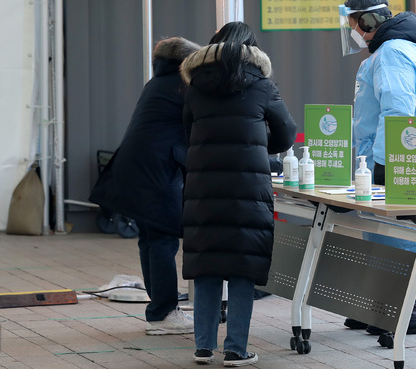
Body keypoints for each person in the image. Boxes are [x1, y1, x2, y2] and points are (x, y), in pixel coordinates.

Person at [180, 22, 297, 366]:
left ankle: (203, 347)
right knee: (244, 267)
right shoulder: (262, 85)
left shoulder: (195, 86)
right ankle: (235, 349)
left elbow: (188, 132)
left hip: (203, 187)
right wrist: (262, 145)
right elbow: (287, 134)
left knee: (207, 264)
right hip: (248, 188)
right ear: (252, 50)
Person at [339, 0, 416, 344]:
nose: (352, 30)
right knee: (390, 233)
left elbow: (398, 111)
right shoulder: (400, 47)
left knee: (402, 232)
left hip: (396, 155)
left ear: (367, 21)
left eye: (353, 23)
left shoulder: (392, 52)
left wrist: (386, 165)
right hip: (397, 152)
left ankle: (408, 312)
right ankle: (385, 306)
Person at [89, 36, 201, 335]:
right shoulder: (182, 88)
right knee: (162, 240)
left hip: (135, 171)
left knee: (151, 240)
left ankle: (160, 311)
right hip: (156, 174)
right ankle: (164, 313)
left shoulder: (157, 84)